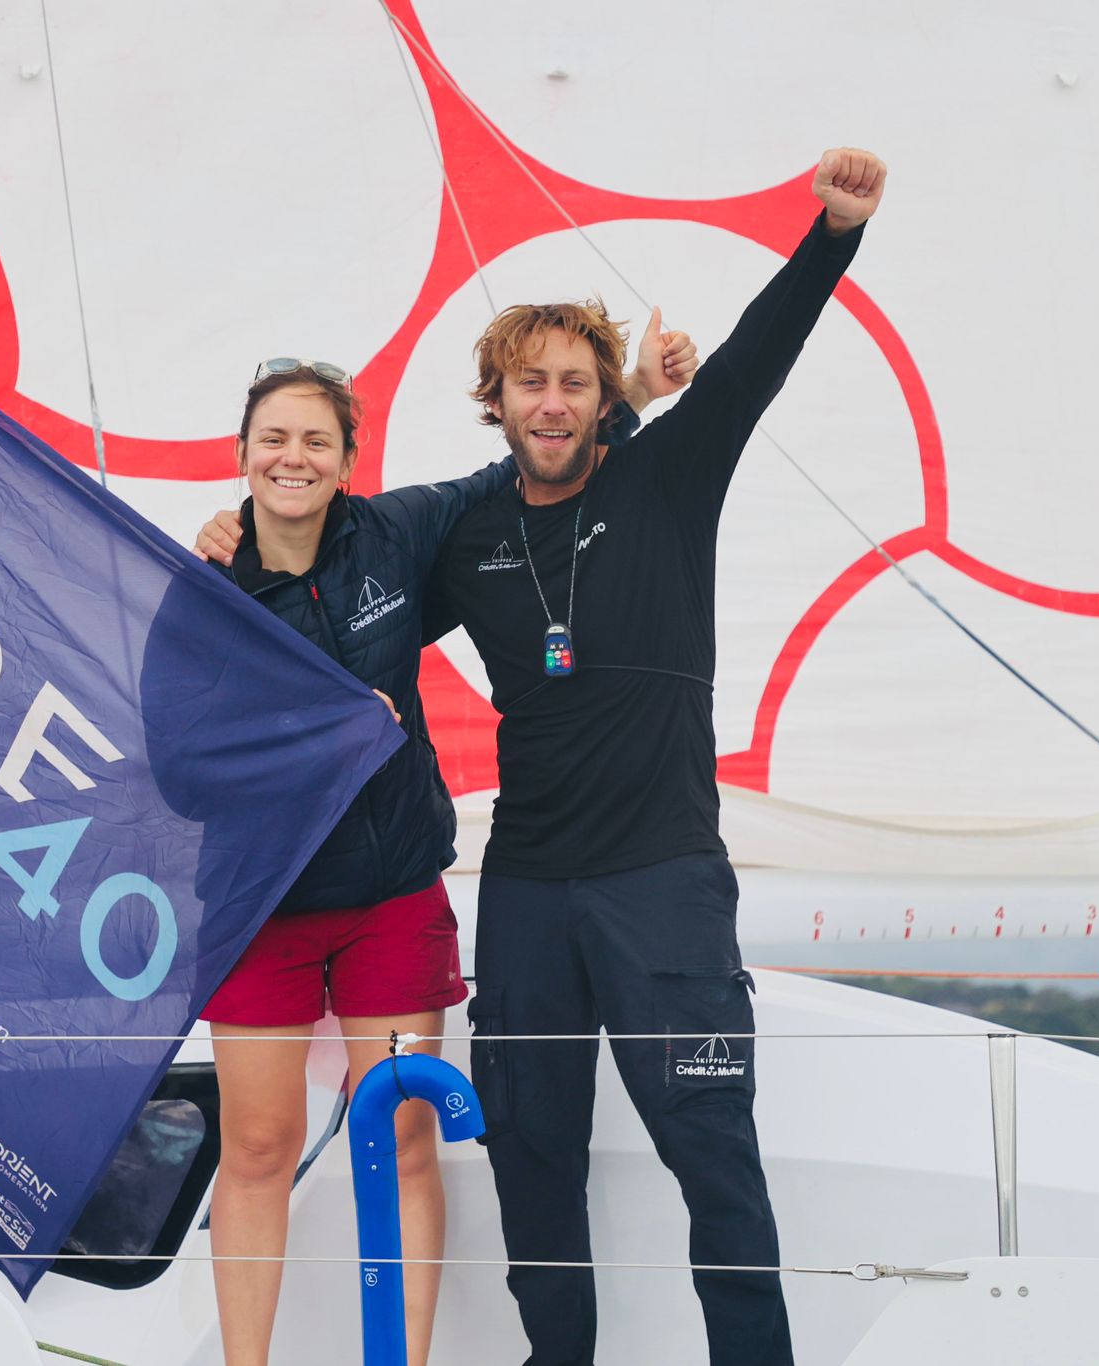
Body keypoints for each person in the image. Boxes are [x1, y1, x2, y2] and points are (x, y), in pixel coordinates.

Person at [419, 147, 887, 1366]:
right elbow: (346, 612)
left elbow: (751, 361)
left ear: (603, 400)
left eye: (574, 382)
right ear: (495, 400)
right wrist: (241, 542)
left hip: (663, 883)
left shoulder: (668, 479)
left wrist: (832, 234)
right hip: (525, 890)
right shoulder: (466, 534)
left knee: (710, 1152)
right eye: (530, 382)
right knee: (529, 1157)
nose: (552, 402)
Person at [194, 325, 697, 1366]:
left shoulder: (396, 532)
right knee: (257, 1147)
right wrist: (316, 739)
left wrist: (637, 392)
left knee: (401, 1135)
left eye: (317, 440)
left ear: (348, 458)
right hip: (261, 905)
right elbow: (176, 768)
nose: (293, 458)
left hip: (388, 897)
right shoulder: (205, 586)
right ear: (241, 453)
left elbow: (516, 466)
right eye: (273, 439)